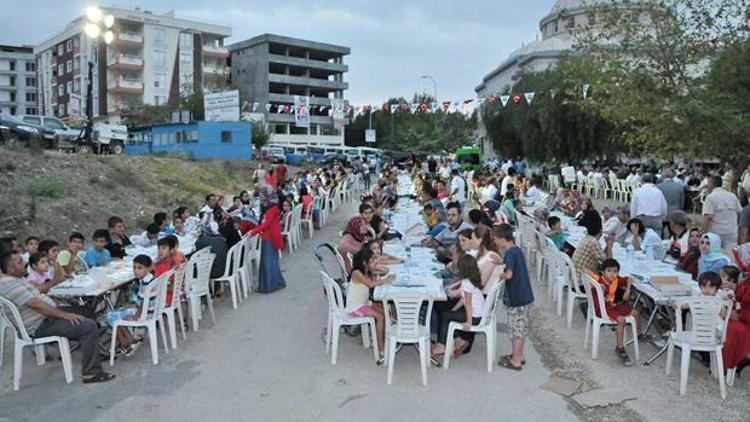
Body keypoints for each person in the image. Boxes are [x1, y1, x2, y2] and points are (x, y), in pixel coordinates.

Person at [0, 251, 115, 384]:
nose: (25, 263)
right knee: (88, 326)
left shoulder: (16, 279)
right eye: (20, 262)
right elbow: (36, 305)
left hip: (46, 316)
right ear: (9, 268)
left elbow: (38, 290)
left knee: (87, 311)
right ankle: (91, 373)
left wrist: (55, 281)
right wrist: (65, 315)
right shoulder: (7, 284)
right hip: (39, 325)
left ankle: (92, 349)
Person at [431, 254, 486, 363]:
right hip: (479, 313)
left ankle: (441, 345)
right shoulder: (471, 280)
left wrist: (469, 322)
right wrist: (454, 310)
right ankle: (459, 340)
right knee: (449, 314)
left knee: (445, 315)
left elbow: (468, 304)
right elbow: (463, 300)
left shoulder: (466, 283)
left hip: (475, 317)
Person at [494, 224, 534, 370]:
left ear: (502, 239)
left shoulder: (510, 253)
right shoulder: (516, 250)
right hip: (525, 297)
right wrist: (502, 263)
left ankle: (515, 360)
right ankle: (519, 355)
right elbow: (512, 266)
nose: (495, 242)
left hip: (517, 299)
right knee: (521, 328)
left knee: (516, 329)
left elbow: (509, 274)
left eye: (496, 239)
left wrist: (500, 274)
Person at [346, 248, 393, 365]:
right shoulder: (357, 273)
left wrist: (376, 266)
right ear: (364, 262)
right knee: (380, 317)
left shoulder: (367, 270)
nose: (375, 262)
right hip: (355, 307)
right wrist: (386, 280)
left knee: (383, 311)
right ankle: (381, 349)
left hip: (364, 303)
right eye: (372, 260)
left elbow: (385, 270)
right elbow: (371, 284)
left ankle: (380, 337)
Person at [106, 254, 155, 356]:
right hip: (151, 310)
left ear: (149, 268)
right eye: (134, 267)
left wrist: (136, 316)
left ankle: (125, 343)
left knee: (111, 316)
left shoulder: (145, 284)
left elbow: (142, 303)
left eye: (139, 268)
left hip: (144, 314)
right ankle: (130, 340)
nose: (136, 271)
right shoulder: (151, 278)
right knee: (119, 312)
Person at [589, 258, 636, 366]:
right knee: (621, 320)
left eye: (615, 271)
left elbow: (629, 279)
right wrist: (598, 287)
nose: (612, 274)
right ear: (603, 272)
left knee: (635, 313)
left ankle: (639, 336)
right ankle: (620, 348)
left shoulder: (616, 280)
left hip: (612, 306)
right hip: (602, 309)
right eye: (609, 271)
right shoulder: (598, 281)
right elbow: (586, 272)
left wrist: (627, 290)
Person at [248, 187, 286, 293]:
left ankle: (270, 285)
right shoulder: (265, 206)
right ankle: (273, 283)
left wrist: (252, 232)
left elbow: (266, 224)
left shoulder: (272, 208)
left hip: (270, 237)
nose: (260, 196)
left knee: (268, 261)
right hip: (267, 236)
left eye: (262, 194)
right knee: (269, 261)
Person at [720, 265, 750, 374]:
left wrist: (740, 315)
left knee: (731, 328)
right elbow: (741, 296)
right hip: (743, 313)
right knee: (719, 317)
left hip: (746, 319)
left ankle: (726, 363)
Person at [702, 175, 742, 249]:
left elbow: (708, 218)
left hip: (716, 233)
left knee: (715, 256)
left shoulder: (710, 198)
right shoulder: (732, 196)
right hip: (732, 232)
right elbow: (739, 212)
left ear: (711, 184)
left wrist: (704, 233)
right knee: (731, 256)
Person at [657, 169, 686, 236]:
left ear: (663, 176)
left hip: (662, 214)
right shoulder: (679, 187)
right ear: (673, 176)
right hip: (675, 213)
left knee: (660, 234)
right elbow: (682, 202)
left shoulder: (658, 187)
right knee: (674, 234)